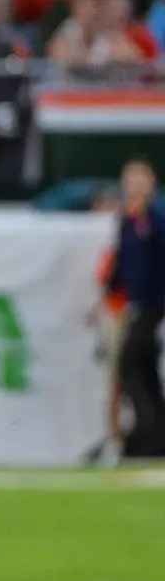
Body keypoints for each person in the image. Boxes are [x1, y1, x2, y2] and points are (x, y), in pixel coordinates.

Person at [107, 157, 165, 460]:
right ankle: (155, 436)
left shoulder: (155, 219)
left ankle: (146, 433)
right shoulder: (128, 220)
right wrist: (111, 289)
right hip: (137, 303)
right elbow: (123, 262)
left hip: (154, 303)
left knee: (131, 366)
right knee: (145, 370)